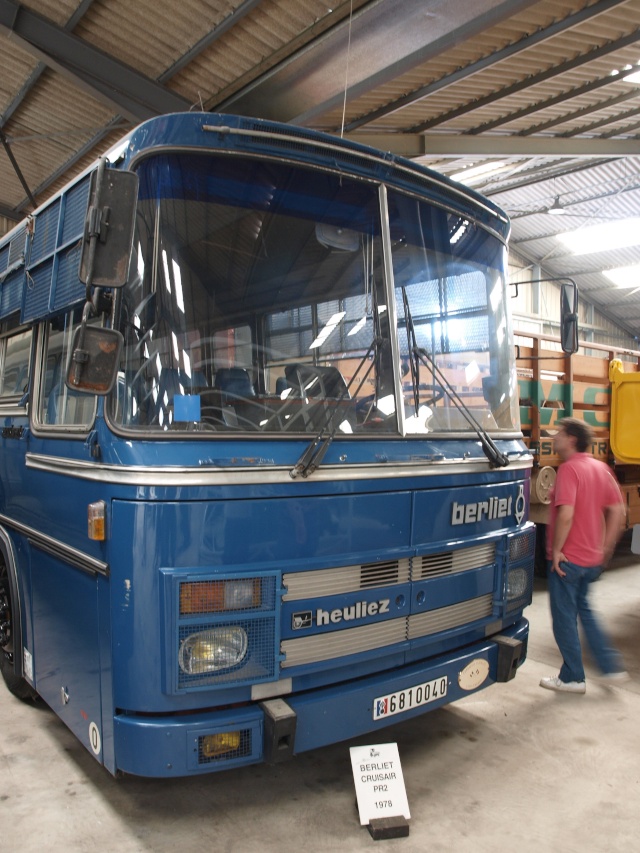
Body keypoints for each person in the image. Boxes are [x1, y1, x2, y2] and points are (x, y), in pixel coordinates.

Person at [540, 417, 628, 694]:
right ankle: (611, 667)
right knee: (586, 613)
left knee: (564, 618)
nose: (555, 438)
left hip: (569, 561)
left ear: (572, 439)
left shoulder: (569, 470)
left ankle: (573, 678)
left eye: (559, 434)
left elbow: (566, 514)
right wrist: (606, 548)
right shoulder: (600, 469)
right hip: (591, 561)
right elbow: (618, 511)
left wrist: (556, 552)